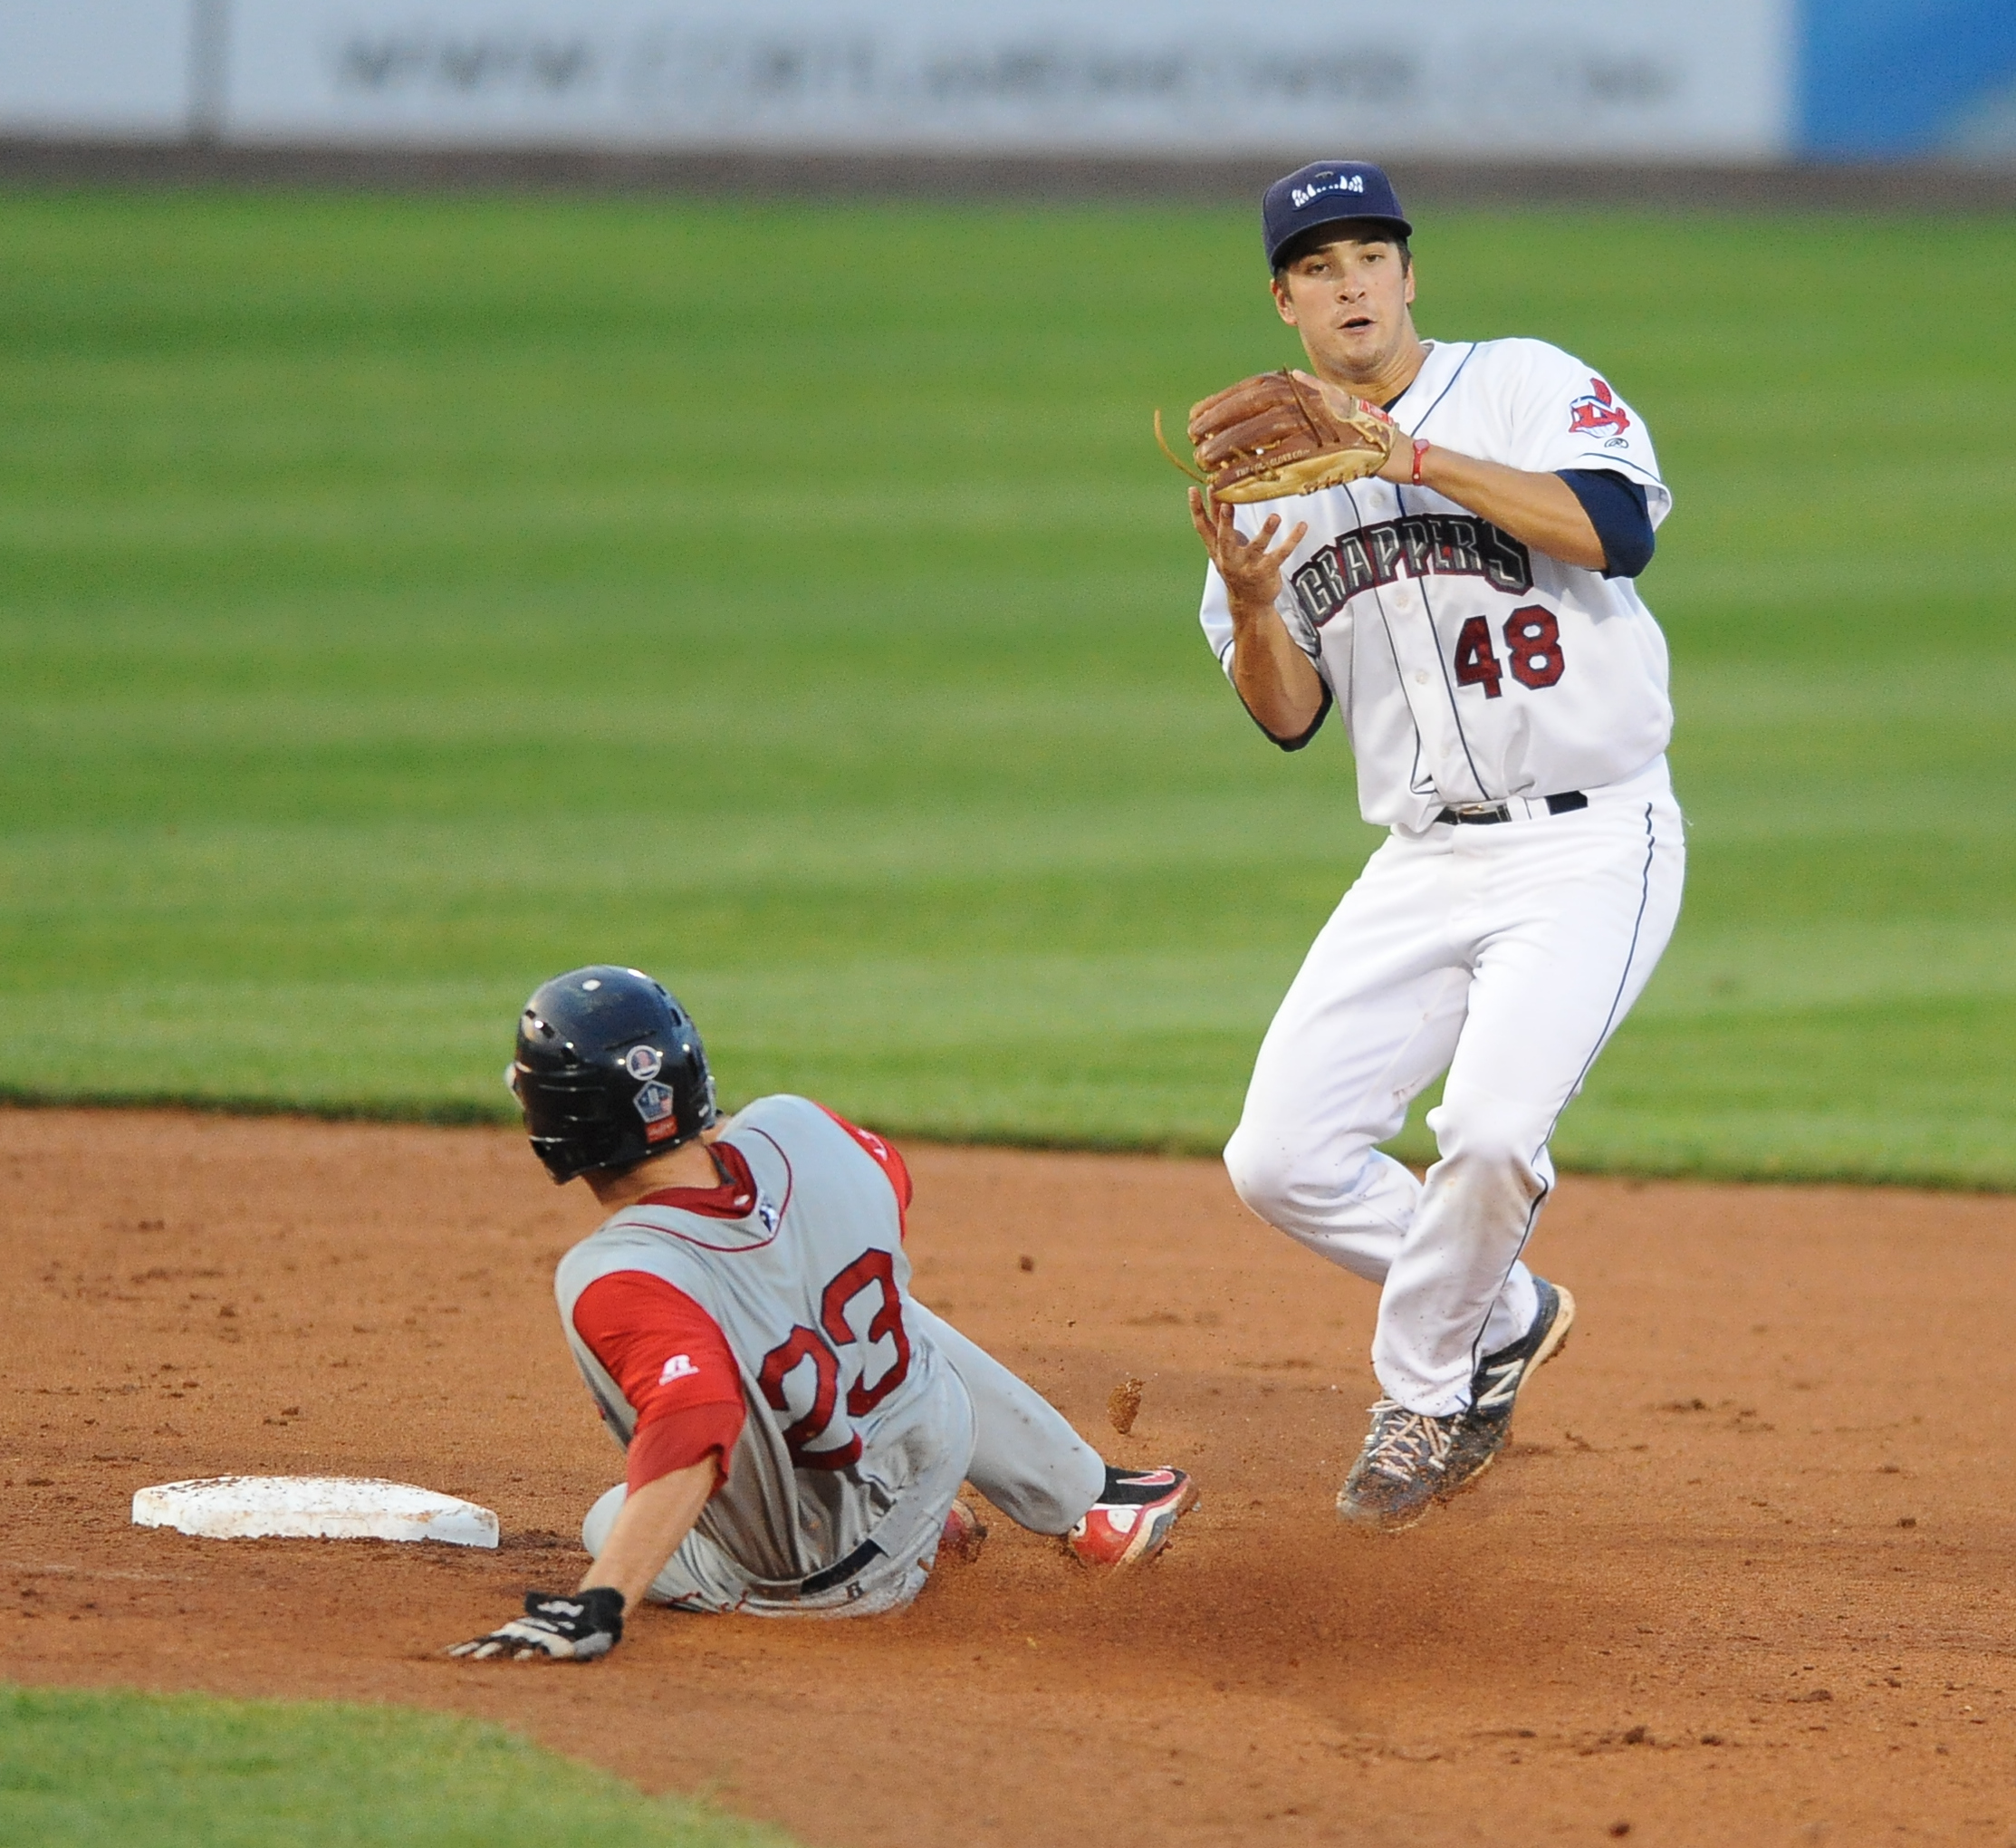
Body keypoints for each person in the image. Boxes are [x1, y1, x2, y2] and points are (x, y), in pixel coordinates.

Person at [1186, 161, 1685, 1533]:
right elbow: (1286, 717)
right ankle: (1505, 1314)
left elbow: (1617, 530)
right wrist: (1252, 602)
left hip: (1590, 845)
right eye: (1318, 266)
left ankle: (1422, 1397)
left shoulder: (1521, 383)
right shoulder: (1264, 476)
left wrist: (1407, 457)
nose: (1350, 283)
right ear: (1283, 300)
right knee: (1278, 1158)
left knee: (1490, 1130)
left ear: (1410, 277)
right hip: (1421, 860)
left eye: (1371, 256)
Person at [449, 965, 1195, 1660]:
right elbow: (886, 1184)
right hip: (933, 1445)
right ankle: (1091, 1500)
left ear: (557, 1124)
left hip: (835, 1579)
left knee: (610, 1519)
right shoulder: (795, 1126)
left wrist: (600, 1604)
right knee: (842, 1290)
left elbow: (696, 1417)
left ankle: (922, 1546)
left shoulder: (616, 1272)